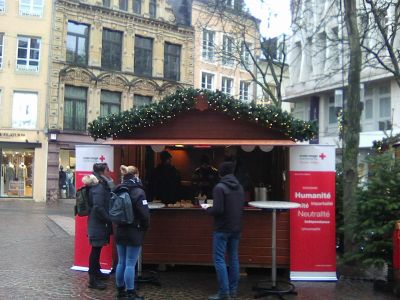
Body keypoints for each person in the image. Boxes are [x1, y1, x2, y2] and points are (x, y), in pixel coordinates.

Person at [203, 162, 245, 300]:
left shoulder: (219, 187)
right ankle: (233, 291)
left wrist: (207, 209)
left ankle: (224, 293)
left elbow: (218, 209)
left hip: (222, 228)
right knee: (233, 258)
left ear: (221, 173)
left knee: (219, 259)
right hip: (236, 227)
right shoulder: (239, 187)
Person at [113, 165, 150, 300]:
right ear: (136, 175)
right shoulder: (139, 192)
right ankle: (131, 293)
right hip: (134, 230)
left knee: (121, 262)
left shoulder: (117, 189)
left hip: (120, 229)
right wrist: (145, 227)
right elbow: (145, 214)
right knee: (130, 263)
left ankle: (120, 290)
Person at [85, 163, 113, 290]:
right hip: (97, 223)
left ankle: (97, 272)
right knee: (95, 250)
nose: (109, 171)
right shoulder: (98, 185)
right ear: (102, 172)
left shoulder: (99, 183)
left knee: (97, 249)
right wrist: (108, 218)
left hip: (97, 222)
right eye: (107, 170)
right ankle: (92, 280)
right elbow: (97, 206)